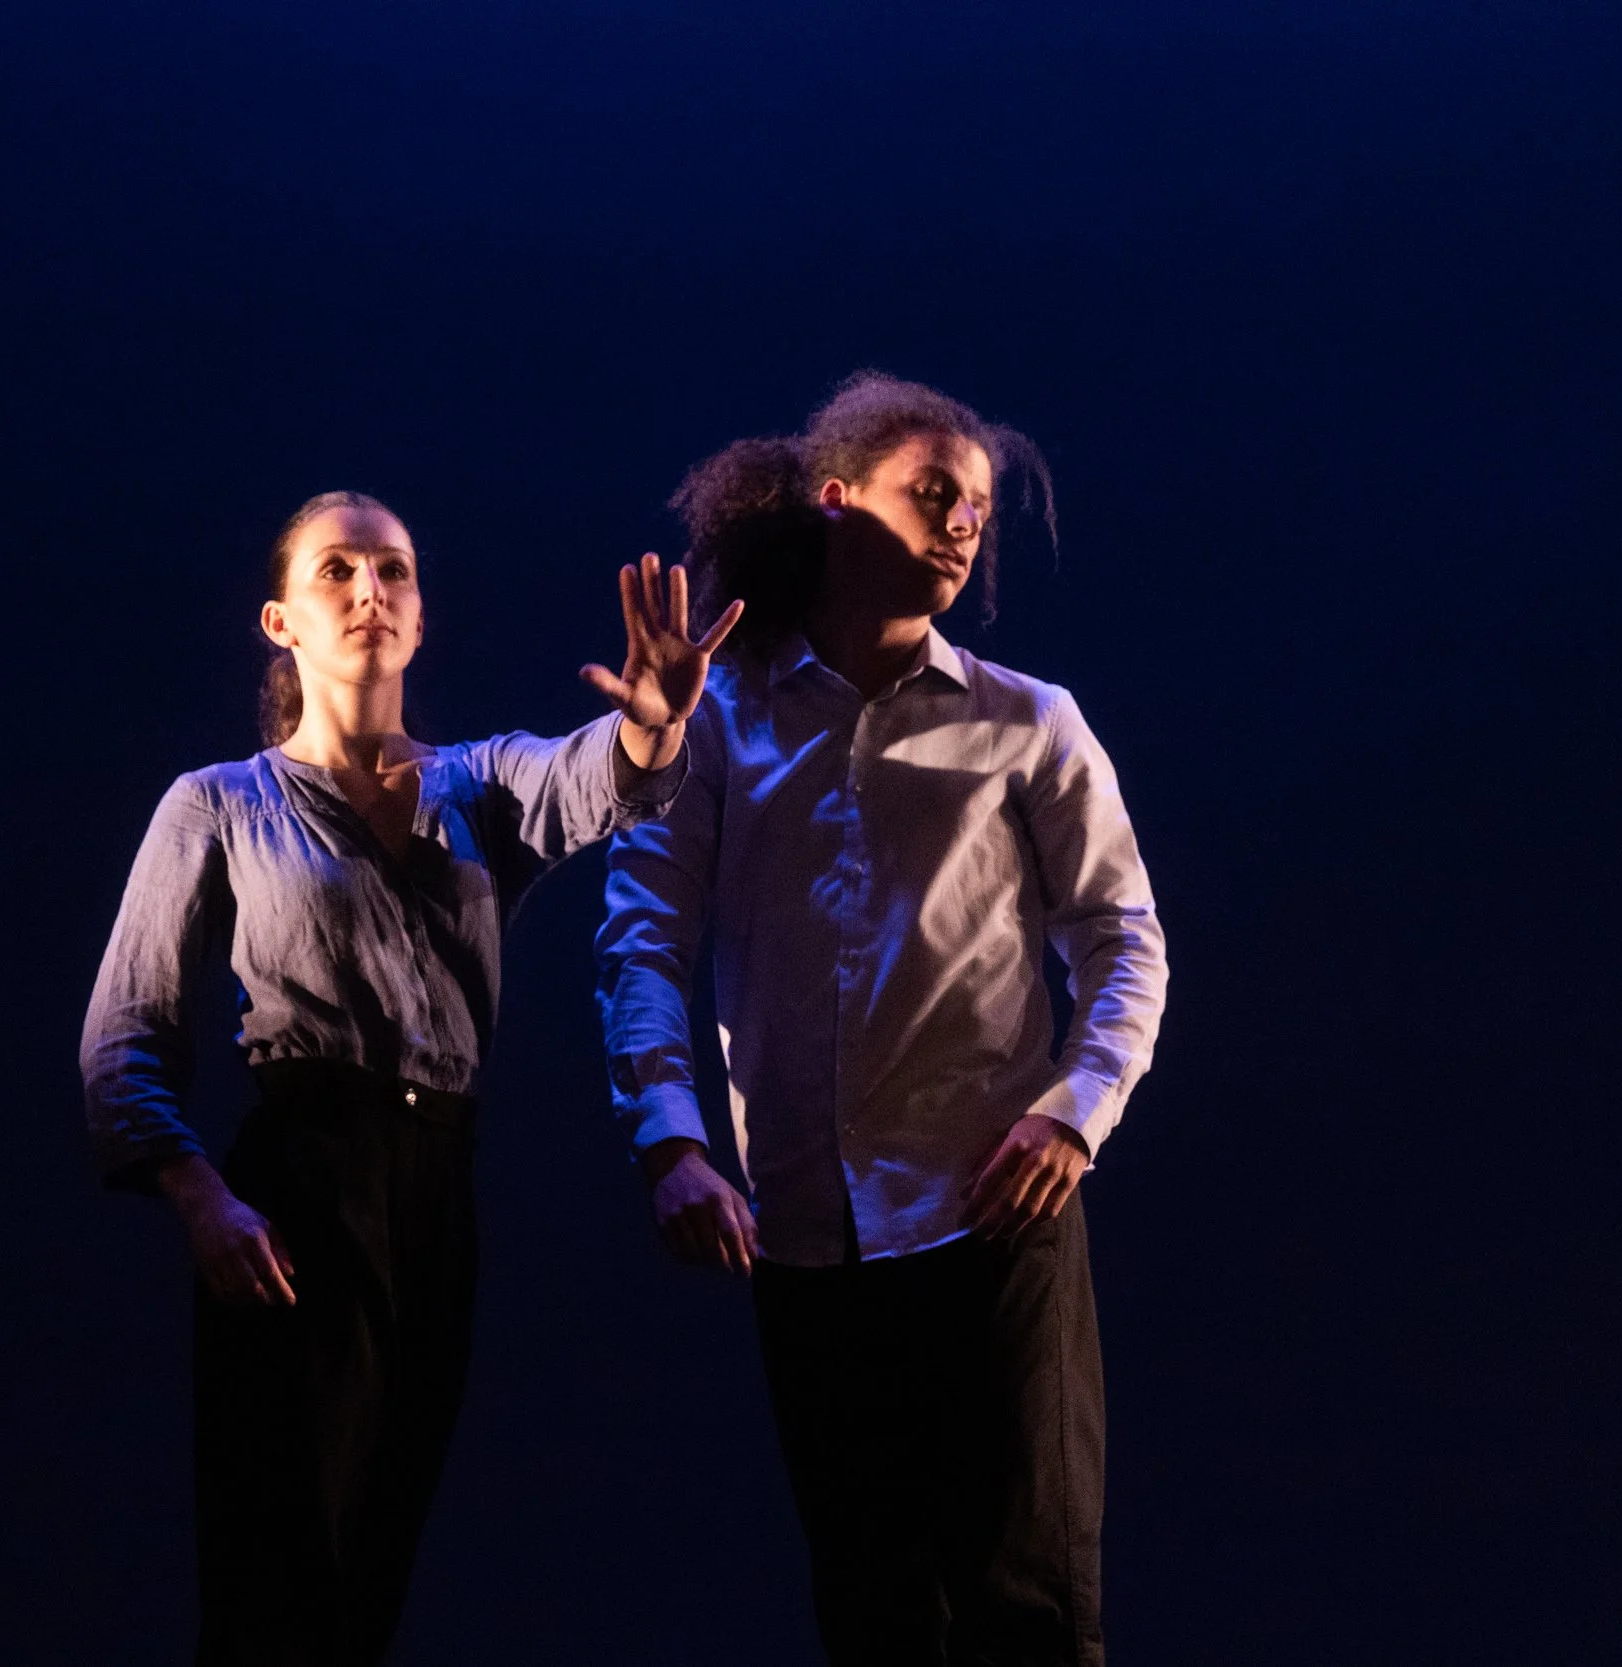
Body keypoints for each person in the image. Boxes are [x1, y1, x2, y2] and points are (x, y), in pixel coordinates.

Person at [82, 490, 741, 1666]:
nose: (368, 591)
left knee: (381, 1541)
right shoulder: (219, 802)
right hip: (299, 1183)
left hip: (437, 1184)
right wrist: (201, 1197)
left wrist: (649, 727)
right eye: (335, 570)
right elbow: (123, 1035)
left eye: (391, 570)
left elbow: (589, 779)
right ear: (281, 621)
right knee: (283, 1554)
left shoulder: (477, 782)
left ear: (422, 614)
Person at [596, 374, 1168, 1666]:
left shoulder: (1031, 722)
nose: (967, 520)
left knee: (1028, 1608)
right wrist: (670, 1134)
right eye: (935, 491)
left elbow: (1125, 941)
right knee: (871, 1612)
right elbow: (643, 930)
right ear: (838, 499)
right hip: (806, 1237)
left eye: (979, 505)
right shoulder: (722, 719)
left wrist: (1075, 1114)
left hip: (992, 1216)